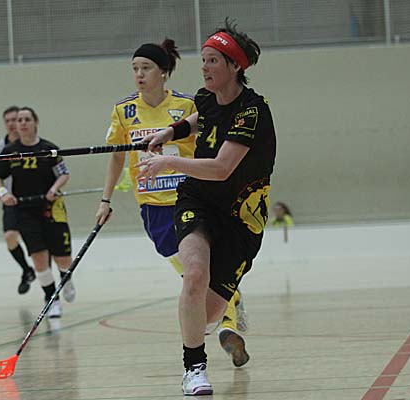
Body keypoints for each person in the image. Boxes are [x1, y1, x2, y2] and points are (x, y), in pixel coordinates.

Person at [137, 19, 276, 396]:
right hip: (197, 201)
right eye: (203, 60)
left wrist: (168, 161)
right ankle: (194, 369)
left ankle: (207, 328)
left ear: (235, 66)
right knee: (194, 274)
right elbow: (201, 119)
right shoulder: (207, 97)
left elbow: (221, 168)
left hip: (241, 220)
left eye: (213, 60)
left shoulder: (252, 112)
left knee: (208, 316)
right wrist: (171, 132)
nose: (204, 67)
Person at [94, 38, 249, 369]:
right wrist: (106, 199)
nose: (139, 74)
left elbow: (212, 146)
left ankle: (228, 323)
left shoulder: (188, 105)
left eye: (146, 68)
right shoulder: (124, 111)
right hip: (153, 205)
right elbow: (116, 157)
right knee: (189, 271)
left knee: (197, 272)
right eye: (135, 68)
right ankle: (227, 303)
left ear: (163, 72)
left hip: (190, 198)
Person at [0, 107, 76, 318]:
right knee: (39, 257)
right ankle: (51, 300)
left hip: (51, 208)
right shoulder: (9, 151)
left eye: (27, 119)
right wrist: (3, 193)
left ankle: (66, 279)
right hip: (25, 211)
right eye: (19, 120)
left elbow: (64, 174)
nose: (22, 123)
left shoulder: (49, 148)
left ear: (35, 122)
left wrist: (54, 189)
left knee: (63, 259)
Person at [0, 106, 36, 295]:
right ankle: (26, 270)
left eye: (14, 120)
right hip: (11, 200)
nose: (11, 124)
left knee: (38, 244)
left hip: (32, 199)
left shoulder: (31, 143)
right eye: (7, 121)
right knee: (10, 237)